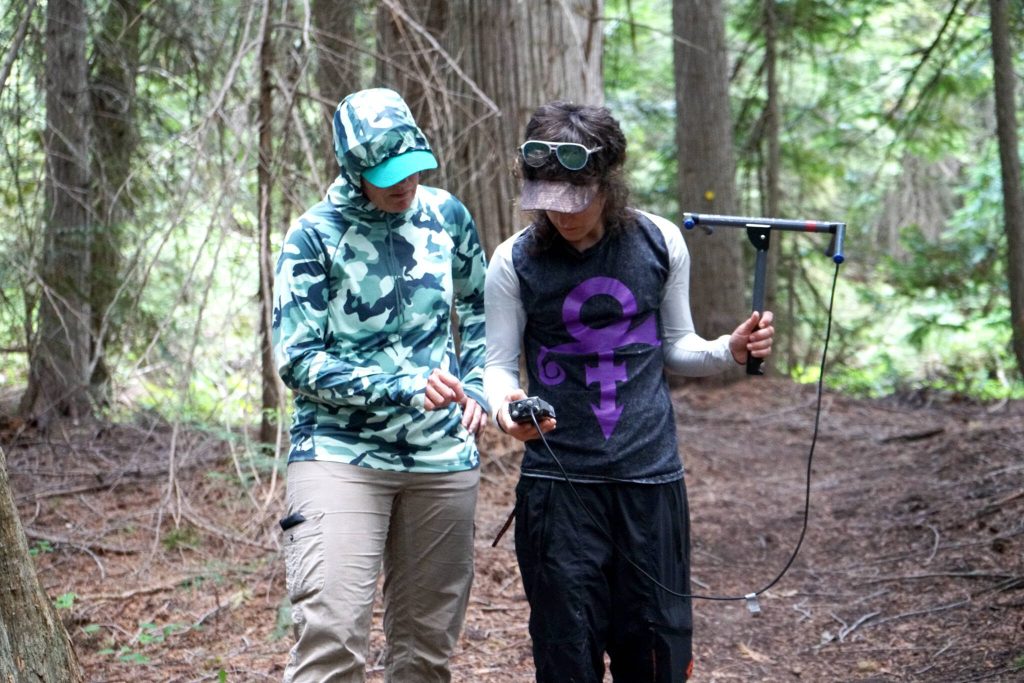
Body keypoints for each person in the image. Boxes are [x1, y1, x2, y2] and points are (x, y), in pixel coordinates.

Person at [483, 101, 775, 682]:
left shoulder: (659, 242)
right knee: (567, 655)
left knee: (656, 656)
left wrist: (728, 351)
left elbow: (676, 345)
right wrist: (505, 408)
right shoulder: (513, 260)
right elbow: (496, 366)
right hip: (559, 488)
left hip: (649, 482)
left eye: (576, 199)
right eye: (547, 202)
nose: (561, 216)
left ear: (608, 181)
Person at [272, 87, 489, 683]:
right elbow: (298, 362)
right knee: (334, 639)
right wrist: (399, 386)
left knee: (425, 652)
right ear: (352, 168)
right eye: (387, 173)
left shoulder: (447, 216)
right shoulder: (314, 237)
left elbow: (480, 306)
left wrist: (478, 384)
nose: (405, 184)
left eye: (414, 168)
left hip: (442, 457)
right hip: (340, 453)